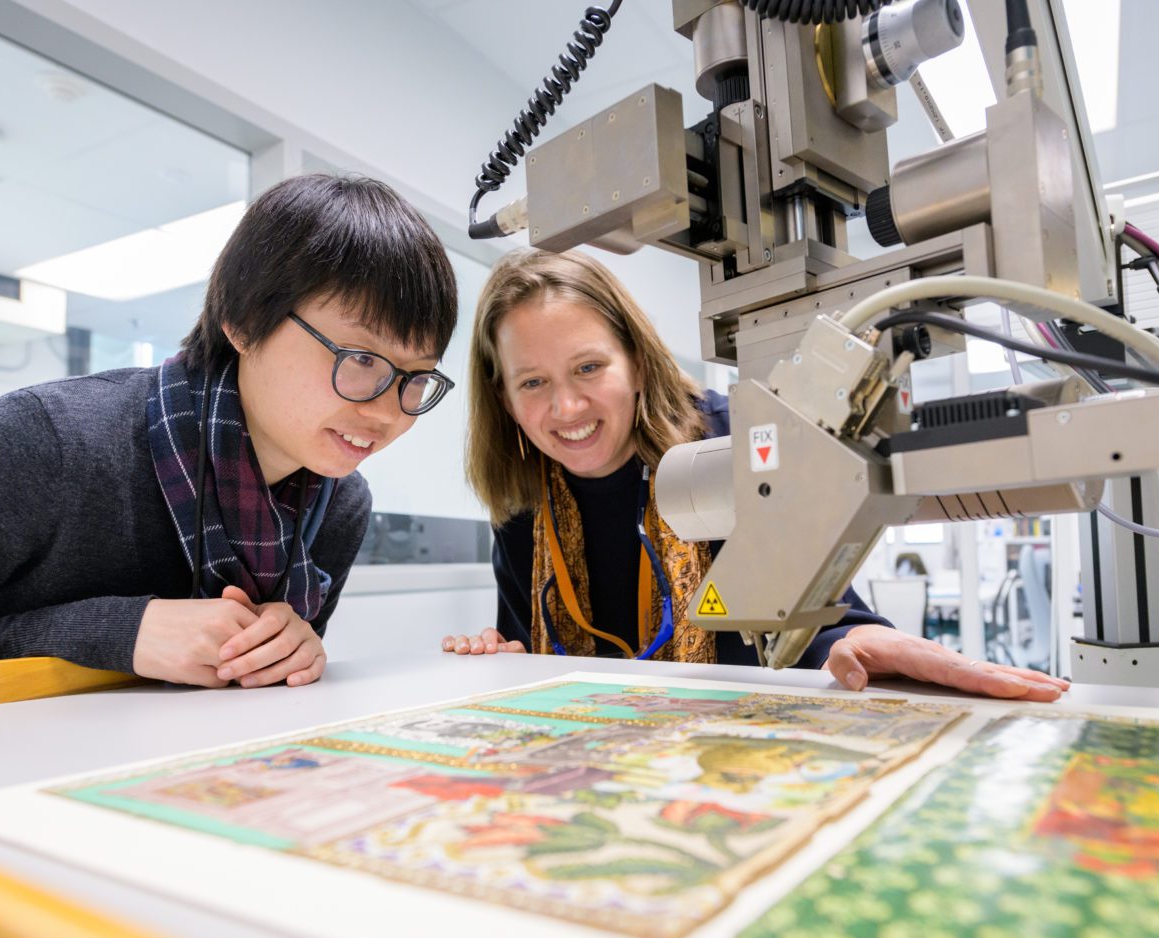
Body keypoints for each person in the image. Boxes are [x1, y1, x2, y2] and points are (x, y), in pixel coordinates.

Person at [0, 173, 458, 689]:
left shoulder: (340, 503)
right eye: (361, 359)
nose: (388, 414)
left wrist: (292, 652)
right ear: (242, 320)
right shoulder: (45, 444)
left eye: (416, 378)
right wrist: (113, 634)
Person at [442, 249, 1066, 701]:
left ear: (635, 361)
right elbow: (533, 654)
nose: (567, 408)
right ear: (504, 398)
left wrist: (863, 643)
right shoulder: (522, 508)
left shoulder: (730, 442)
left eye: (587, 368)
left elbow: (821, 617)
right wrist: (500, 663)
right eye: (533, 382)